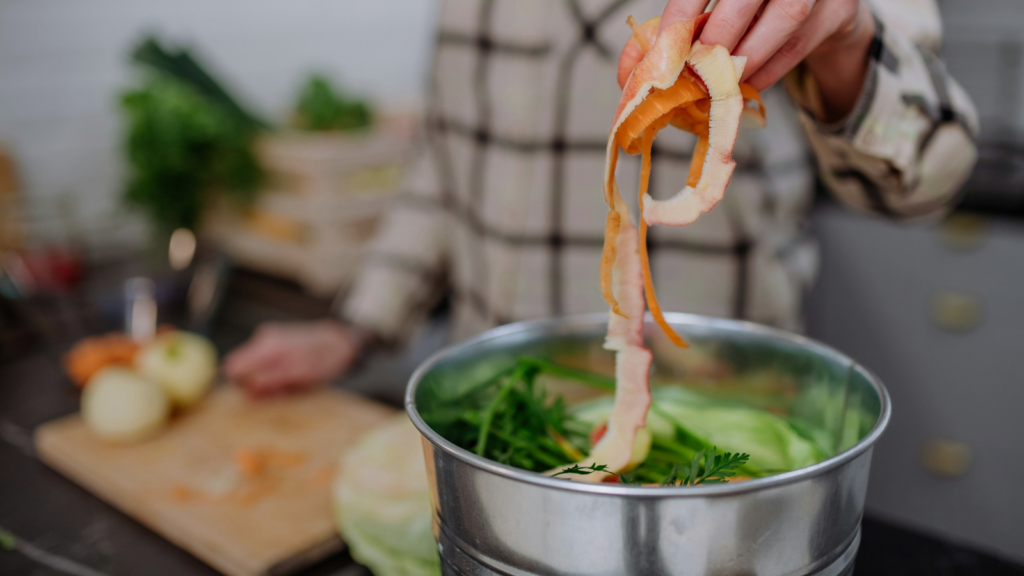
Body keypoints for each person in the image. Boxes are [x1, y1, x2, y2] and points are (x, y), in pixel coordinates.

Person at [225, 0, 977, 397]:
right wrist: (359, 326)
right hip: (499, 424)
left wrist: (848, 37)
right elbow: (447, 164)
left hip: (715, 424)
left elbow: (931, 176)